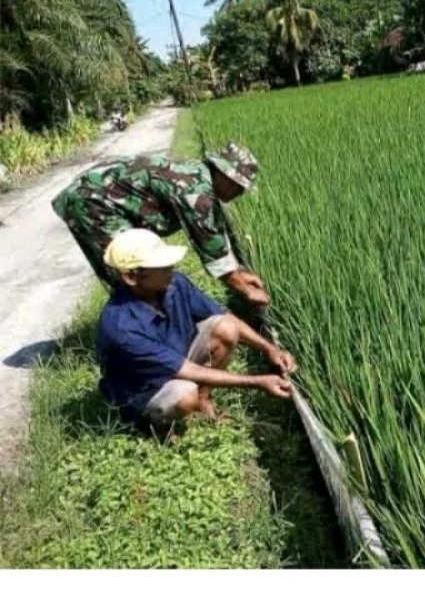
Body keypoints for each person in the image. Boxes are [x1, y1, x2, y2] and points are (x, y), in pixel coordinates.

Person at [97, 228, 297, 427]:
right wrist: (258, 382)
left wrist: (270, 348)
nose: (171, 268)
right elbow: (186, 370)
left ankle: (203, 399)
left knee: (227, 327)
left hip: (177, 358)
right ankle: (161, 428)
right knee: (185, 397)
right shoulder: (121, 328)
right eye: (161, 266)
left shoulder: (174, 283)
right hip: (145, 388)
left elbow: (225, 318)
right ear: (131, 277)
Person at [51, 141, 269, 307]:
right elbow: (209, 244)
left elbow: (215, 230)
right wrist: (245, 290)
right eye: (238, 185)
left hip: (103, 196)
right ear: (223, 174)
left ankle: (152, 326)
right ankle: (137, 338)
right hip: (92, 203)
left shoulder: (199, 174)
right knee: (133, 272)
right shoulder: (195, 192)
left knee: (142, 274)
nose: (239, 192)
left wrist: (239, 271)